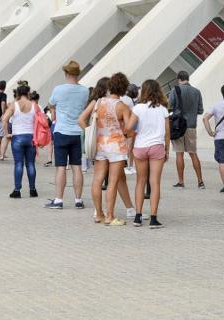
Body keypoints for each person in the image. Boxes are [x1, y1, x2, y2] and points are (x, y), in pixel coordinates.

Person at [80, 72, 130, 226]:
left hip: (100, 144)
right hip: (116, 146)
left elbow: (81, 119)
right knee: (113, 182)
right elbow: (128, 129)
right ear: (124, 89)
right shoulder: (122, 106)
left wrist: (90, 132)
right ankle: (110, 216)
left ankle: (98, 214)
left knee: (97, 179)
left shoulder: (98, 102)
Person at [45, 60, 89, 210]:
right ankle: (78, 199)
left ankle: (58, 200)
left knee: (61, 167)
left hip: (62, 131)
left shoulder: (59, 89)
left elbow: (51, 104)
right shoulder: (85, 91)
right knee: (77, 166)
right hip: (77, 132)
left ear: (66, 73)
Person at [127, 79, 170, 227]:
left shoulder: (138, 108)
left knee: (140, 181)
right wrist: (167, 150)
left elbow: (129, 127)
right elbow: (167, 133)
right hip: (157, 147)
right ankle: (153, 218)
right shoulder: (163, 109)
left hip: (140, 147)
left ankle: (138, 216)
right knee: (155, 182)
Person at [1, 85, 39, 198]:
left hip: (17, 137)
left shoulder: (14, 105)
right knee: (30, 164)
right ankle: (33, 190)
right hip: (31, 137)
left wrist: (6, 133)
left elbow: (4, 119)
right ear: (28, 93)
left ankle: (17, 190)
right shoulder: (34, 105)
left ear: (18, 93)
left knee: (18, 163)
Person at [168, 71, 205, 189]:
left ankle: (181, 181)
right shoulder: (196, 91)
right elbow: (200, 110)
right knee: (193, 153)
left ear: (178, 79)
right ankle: (200, 181)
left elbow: (170, 107)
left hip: (178, 126)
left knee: (179, 154)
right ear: (188, 78)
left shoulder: (174, 91)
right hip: (191, 126)